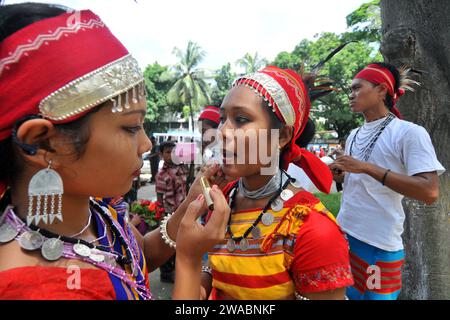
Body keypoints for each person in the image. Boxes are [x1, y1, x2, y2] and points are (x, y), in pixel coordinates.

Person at [0, 3, 230, 300]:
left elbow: (140, 255)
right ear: (43, 143)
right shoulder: (36, 288)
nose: (147, 145)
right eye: (130, 127)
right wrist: (187, 260)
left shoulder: (96, 211)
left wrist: (191, 201)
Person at [199, 65, 354, 300]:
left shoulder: (311, 229)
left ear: (282, 136)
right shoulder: (222, 202)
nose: (222, 132)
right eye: (223, 119)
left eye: (241, 119)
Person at [329, 62, 445, 300]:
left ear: (381, 90)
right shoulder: (354, 134)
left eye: (357, 88)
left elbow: (430, 191)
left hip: (379, 243)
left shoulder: (410, 132)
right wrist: (342, 175)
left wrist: (366, 168)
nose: (350, 95)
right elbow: (359, 181)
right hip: (345, 235)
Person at [155, 141, 189, 283]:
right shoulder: (161, 175)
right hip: (168, 212)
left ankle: (176, 269)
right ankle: (166, 273)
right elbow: (159, 196)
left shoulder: (182, 169)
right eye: (168, 152)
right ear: (161, 155)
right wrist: (161, 213)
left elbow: (185, 187)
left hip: (182, 209)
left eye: (174, 151)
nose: (171, 155)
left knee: (180, 241)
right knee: (167, 242)